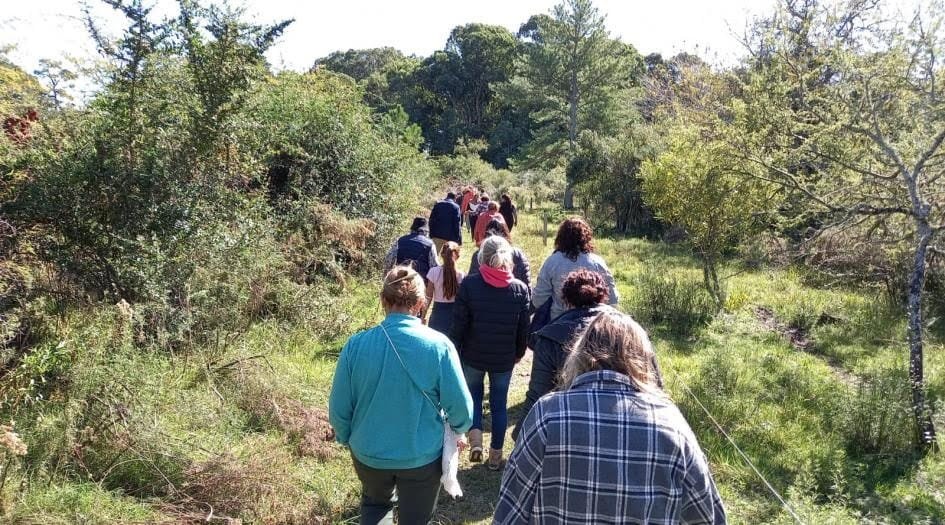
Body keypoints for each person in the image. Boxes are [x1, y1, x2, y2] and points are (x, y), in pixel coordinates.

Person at [494, 311, 726, 524]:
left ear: (579, 355)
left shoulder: (548, 414)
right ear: (643, 359)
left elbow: (511, 510)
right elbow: (708, 516)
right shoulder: (671, 424)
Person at [329, 266, 474, 525]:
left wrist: (346, 437)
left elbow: (339, 409)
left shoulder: (355, 345)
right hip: (422, 457)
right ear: (420, 304)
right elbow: (461, 408)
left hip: (368, 454)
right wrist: (458, 429)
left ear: (383, 300)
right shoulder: (439, 346)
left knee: (375, 506)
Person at [450, 236, 530, 470]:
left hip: (473, 355)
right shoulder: (520, 289)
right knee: (498, 404)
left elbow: (459, 324)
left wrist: (455, 349)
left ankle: (475, 442)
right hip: (503, 358)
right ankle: (495, 456)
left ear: (481, 258)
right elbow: (523, 329)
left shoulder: (470, 285)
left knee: (474, 397)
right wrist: (518, 353)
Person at [532, 217, 618, 321]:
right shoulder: (598, 263)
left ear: (561, 238)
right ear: (586, 238)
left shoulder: (552, 262)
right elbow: (613, 300)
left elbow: (538, 300)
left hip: (559, 322)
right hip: (592, 324)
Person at [468, 219, 530, 288]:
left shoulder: (478, 255)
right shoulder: (518, 254)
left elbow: (471, 283)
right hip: (513, 292)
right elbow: (527, 284)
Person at [423, 242, 464, 335]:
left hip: (437, 315)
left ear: (441, 255)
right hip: (454, 316)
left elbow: (428, 297)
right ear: (458, 256)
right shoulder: (461, 275)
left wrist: (423, 316)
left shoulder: (433, 272)